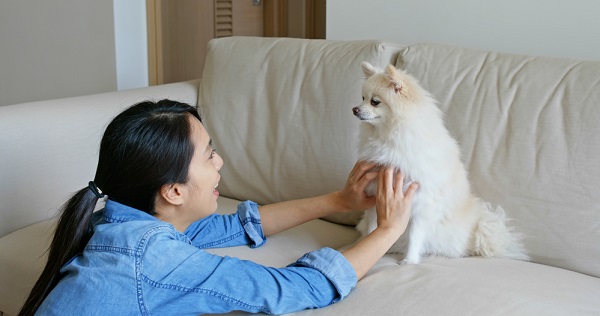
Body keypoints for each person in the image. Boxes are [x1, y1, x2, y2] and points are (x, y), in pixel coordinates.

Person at [19, 99, 418, 315]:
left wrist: (338, 201)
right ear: (173, 191)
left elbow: (233, 228)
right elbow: (295, 288)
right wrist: (388, 230)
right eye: (209, 155)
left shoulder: (120, 221)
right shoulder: (158, 259)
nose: (220, 162)